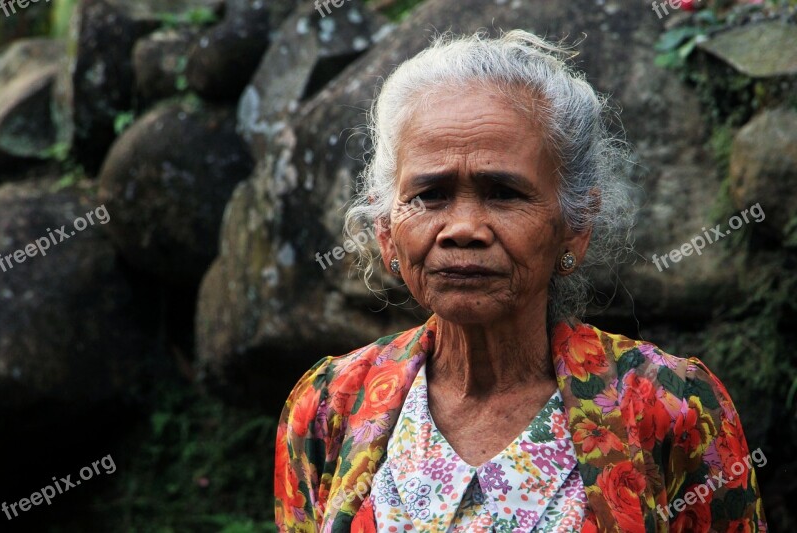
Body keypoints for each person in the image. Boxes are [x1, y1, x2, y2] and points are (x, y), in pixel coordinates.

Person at [274, 30, 767, 532]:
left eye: (504, 193)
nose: (463, 228)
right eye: (430, 195)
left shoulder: (673, 405)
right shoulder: (328, 405)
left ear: (574, 228)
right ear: (386, 231)